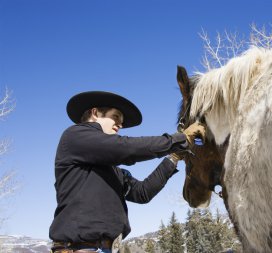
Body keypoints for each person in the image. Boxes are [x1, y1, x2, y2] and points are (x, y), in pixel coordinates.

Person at [49, 91, 205, 253]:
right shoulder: (74, 135)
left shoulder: (112, 171)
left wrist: (173, 157)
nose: (120, 125)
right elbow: (125, 148)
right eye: (116, 117)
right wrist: (179, 139)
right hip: (78, 248)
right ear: (94, 113)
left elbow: (142, 192)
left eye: (121, 121)